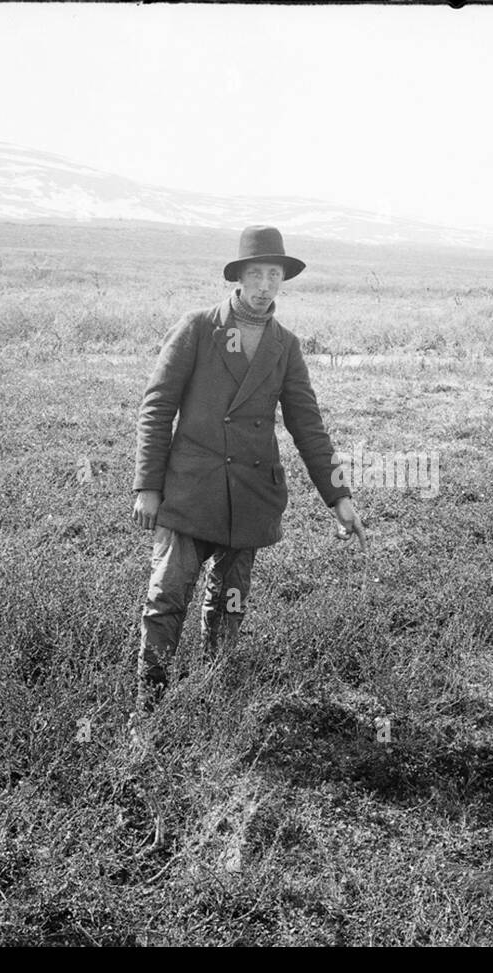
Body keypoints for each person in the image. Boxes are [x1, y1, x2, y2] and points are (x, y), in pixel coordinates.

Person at [130, 225, 366, 707]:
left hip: (251, 497)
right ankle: (149, 709)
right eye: (255, 274)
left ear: (282, 281)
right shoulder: (197, 327)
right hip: (191, 492)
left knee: (228, 607)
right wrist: (147, 486)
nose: (264, 285)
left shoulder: (286, 346)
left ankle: (214, 704)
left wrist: (339, 497)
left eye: (273, 275)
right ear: (238, 277)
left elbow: (308, 425)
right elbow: (157, 406)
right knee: (166, 598)